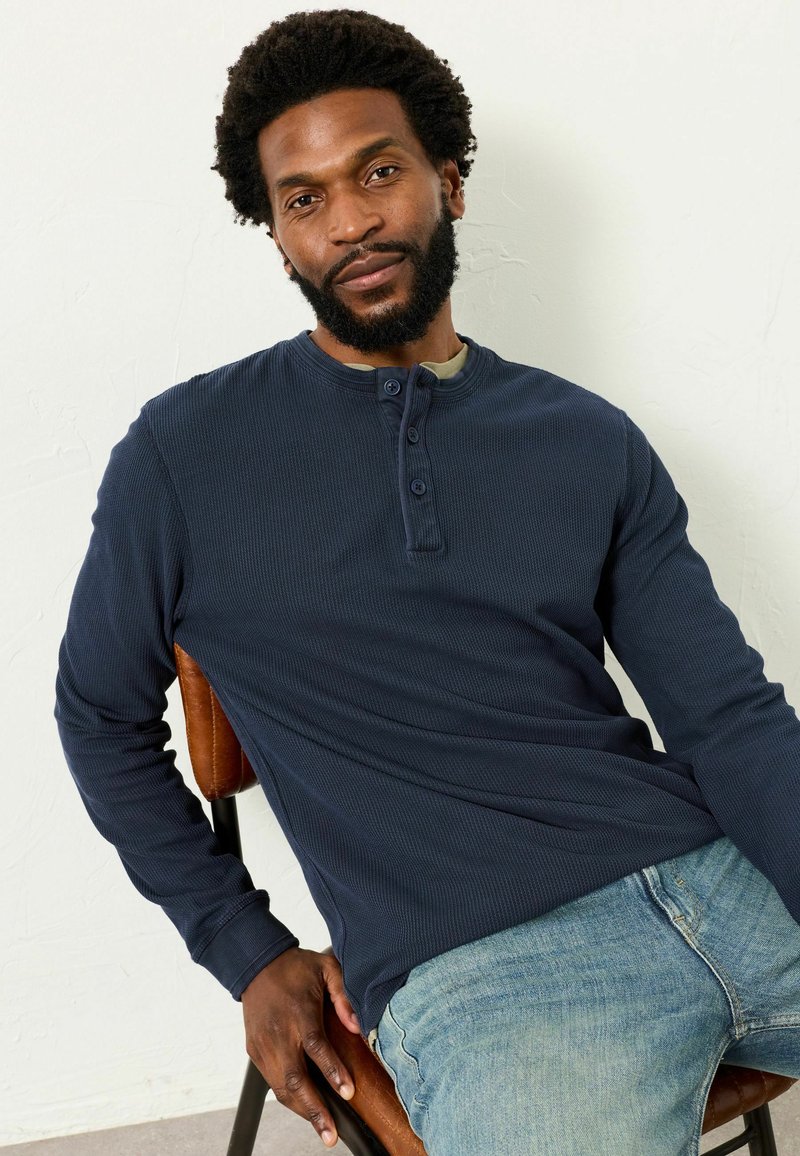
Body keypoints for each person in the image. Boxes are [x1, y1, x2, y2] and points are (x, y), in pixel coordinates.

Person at [55, 9, 800, 1155]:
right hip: (487, 972)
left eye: (378, 171)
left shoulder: (583, 437)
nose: (350, 220)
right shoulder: (183, 455)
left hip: (723, 883)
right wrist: (245, 948)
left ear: (447, 180)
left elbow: (727, 717)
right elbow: (97, 715)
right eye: (304, 198)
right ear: (277, 235)